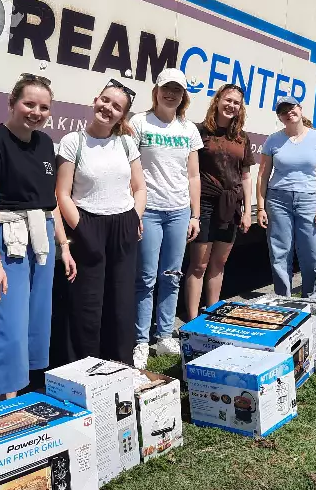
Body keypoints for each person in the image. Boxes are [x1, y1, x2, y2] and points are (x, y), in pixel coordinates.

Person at [0, 73, 77, 405]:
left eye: (43, 107)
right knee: (10, 328)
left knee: (35, 323)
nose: (36, 112)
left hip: (42, 238)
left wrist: (64, 246)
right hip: (10, 240)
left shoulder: (45, 143)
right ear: (12, 102)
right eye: (29, 104)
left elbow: (50, 204)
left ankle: (13, 399)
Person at [55, 79, 146, 366]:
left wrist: (135, 217)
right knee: (87, 303)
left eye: (116, 106)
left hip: (123, 225)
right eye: (105, 100)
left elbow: (140, 187)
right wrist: (82, 229)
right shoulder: (73, 142)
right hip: (87, 225)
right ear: (96, 100)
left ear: (123, 115)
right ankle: (83, 368)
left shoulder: (126, 143)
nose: (108, 108)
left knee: (121, 303)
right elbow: (62, 194)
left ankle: (120, 366)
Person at [130, 68, 203, 368]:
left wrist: (195, 214)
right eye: (166, 88)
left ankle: (163, 336)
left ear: (183, 95)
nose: (171, 94)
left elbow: (194, 175)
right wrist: (134, 211)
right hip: (148, 210)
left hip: (178, 211)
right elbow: (129, 169)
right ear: (156, 91)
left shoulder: (189, 129)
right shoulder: (139, 122)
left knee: (172, 276)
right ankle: (140, 340)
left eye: (177, 90)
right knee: (145, 278)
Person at [184, 84, 255, 320]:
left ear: (240, 108)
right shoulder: (199, 131)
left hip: (231, 206)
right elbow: (191, 171)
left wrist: (247, 211)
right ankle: (193, 319)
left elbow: (245, 176)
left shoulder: (242, 138)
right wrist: (193, 212)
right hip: (204, 203)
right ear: (217, 101)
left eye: (236, 103)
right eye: (228, 100)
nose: (231, 106)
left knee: (219, 263)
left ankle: (212, 314)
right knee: (199, 265)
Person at [256, 96, 316, 299]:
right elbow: (262, 175)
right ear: (280, 117)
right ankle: (284, 300)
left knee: (313, 253)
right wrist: (261, 207)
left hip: (308, 200)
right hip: (277, 200)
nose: (289, 113)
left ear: (300, 108)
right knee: (280, 253)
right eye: (283, 111)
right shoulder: (273, 140)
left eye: (292, 108)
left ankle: (310, 300)